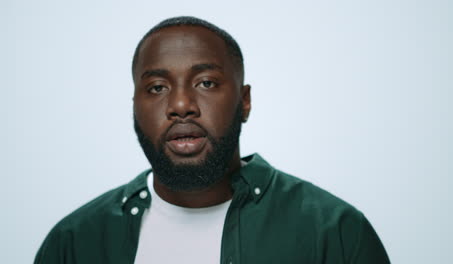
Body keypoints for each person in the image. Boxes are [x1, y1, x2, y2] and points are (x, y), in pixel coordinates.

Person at [35, 16, 390, 264]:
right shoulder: (74, 243)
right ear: (134, 106)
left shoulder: (335, 233)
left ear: (245, 101)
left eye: (206, 83)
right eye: (157, 88)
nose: (180, 105)